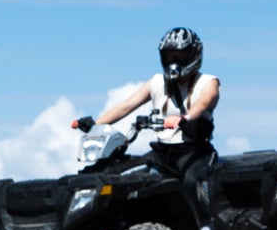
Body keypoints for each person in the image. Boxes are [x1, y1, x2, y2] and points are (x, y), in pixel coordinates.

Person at [76, 27, 220, 184]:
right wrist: (95, 125)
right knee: (119, 176)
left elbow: (205, 102)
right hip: (162, 153)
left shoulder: (208, 82)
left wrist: (184, 118)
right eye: (169, 57)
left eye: (179, 56)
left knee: (193, 183)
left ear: (193, 55)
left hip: (195, 152)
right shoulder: (157, 82)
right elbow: (126, 106)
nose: (173, 63)